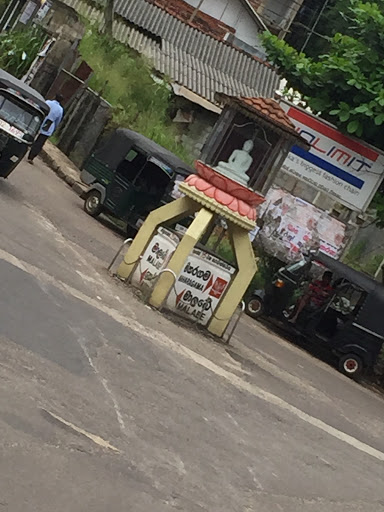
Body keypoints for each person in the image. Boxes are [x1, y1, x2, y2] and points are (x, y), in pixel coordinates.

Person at [27, 93, 64, 164]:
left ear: (54, 96)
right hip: (49, 125)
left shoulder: (47, 102)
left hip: (40, 120)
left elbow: (39, 108)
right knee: (40, 142)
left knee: (31, 134)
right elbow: (58, 120)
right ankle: (31, 157)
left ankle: (25, 146)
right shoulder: (60, 110)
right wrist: (54, 128)